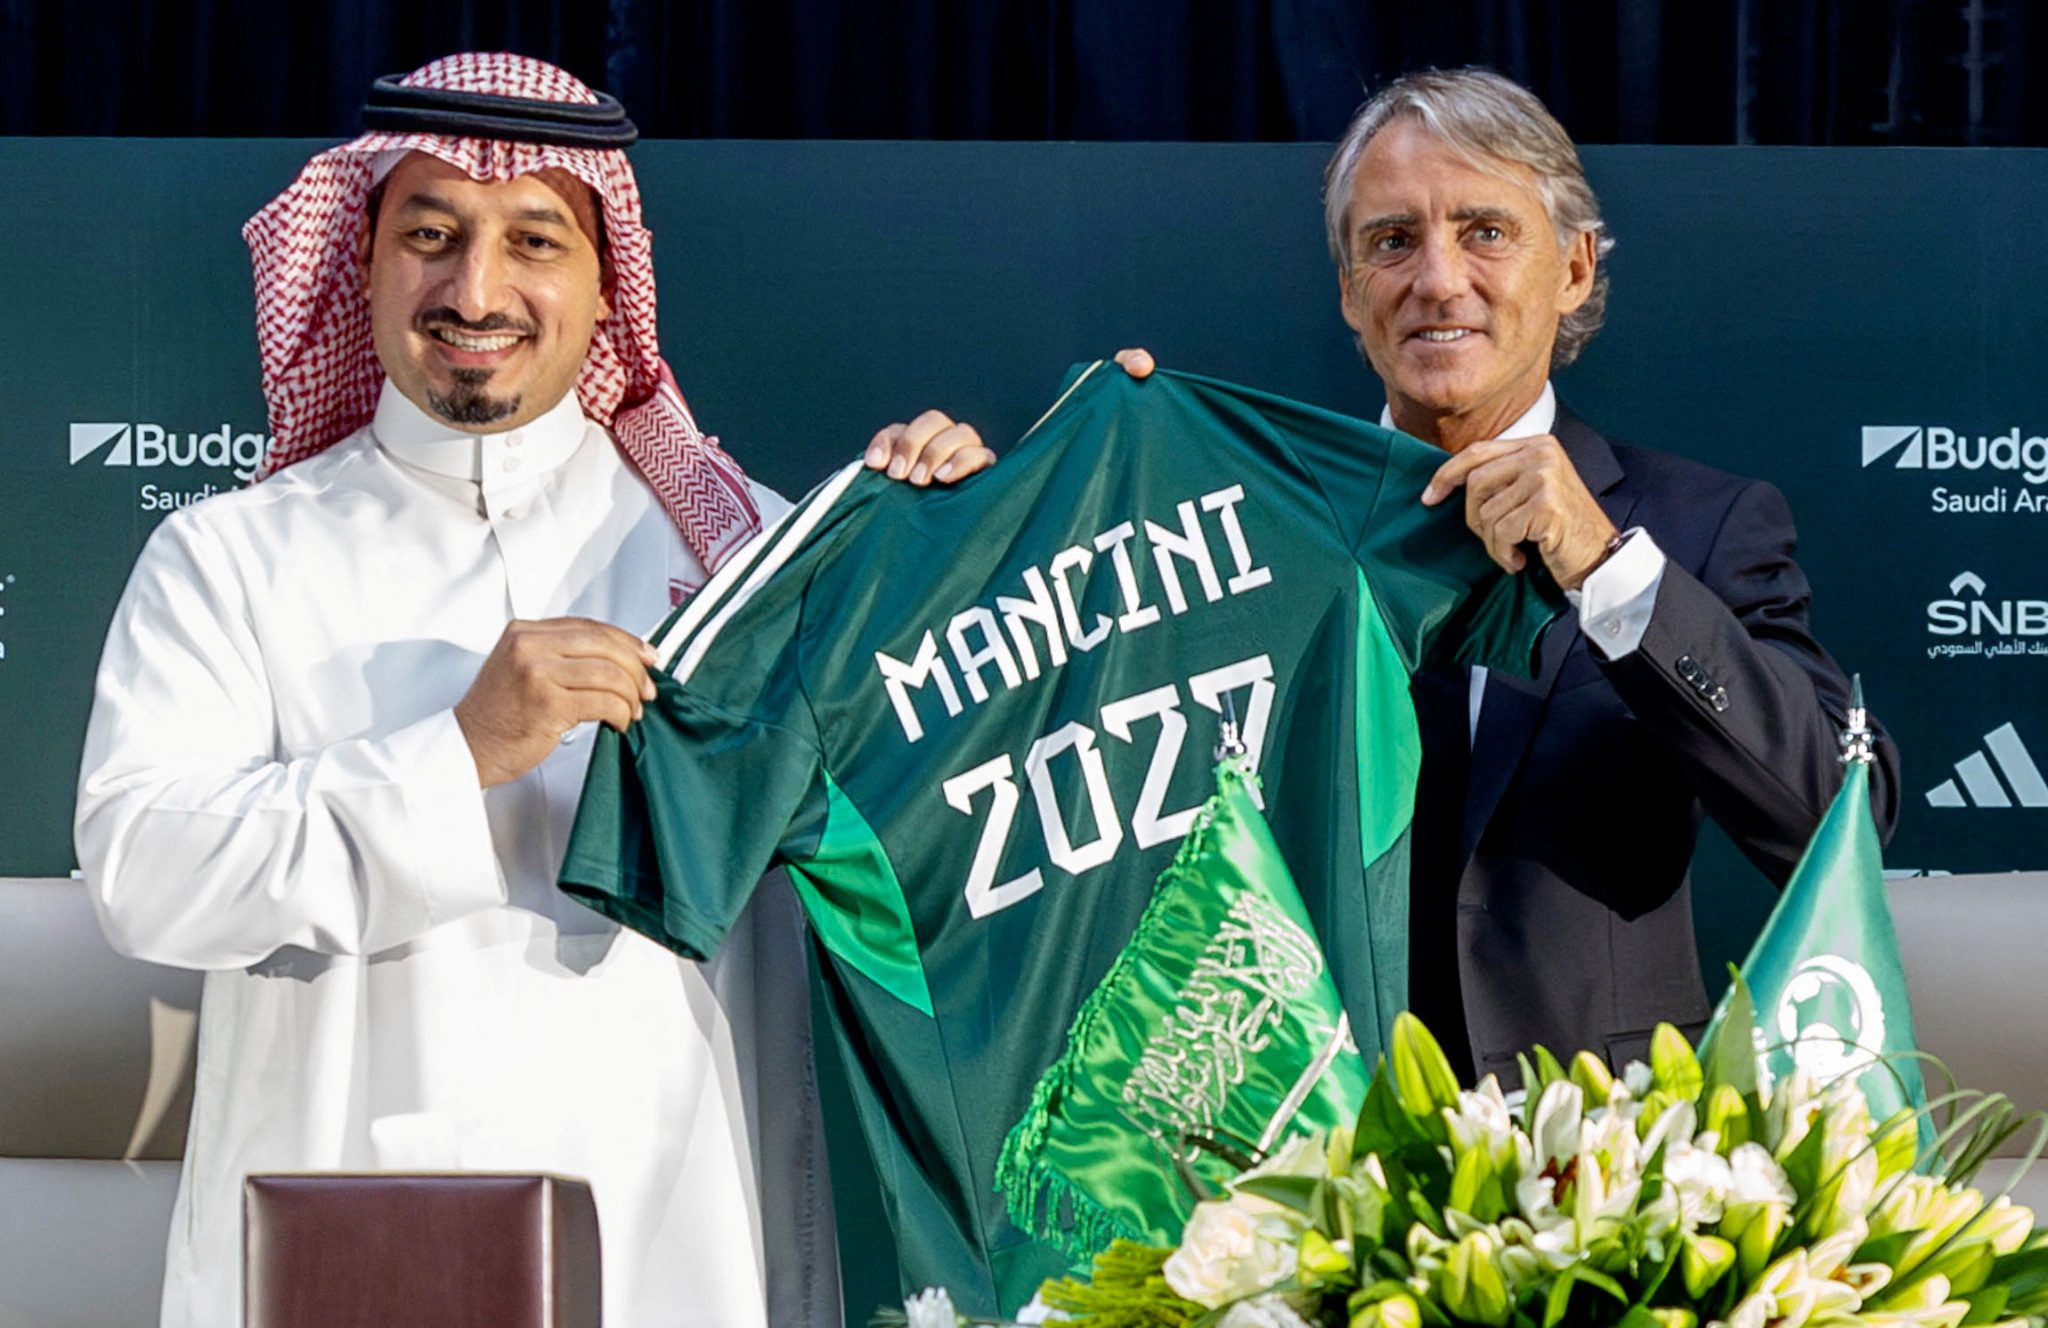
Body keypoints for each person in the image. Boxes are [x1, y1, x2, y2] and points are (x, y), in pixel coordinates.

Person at [73, 53, 991, 1328]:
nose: (476, 289)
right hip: (348, 1254)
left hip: (682, 1257)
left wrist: (963, 557)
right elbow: (144, 873)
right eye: (431, 235)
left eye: (534, 239)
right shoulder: (230, 558)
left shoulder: (751, 555)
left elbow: (955, 847)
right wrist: (456, 754)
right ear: (362, 261)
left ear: (608, 278)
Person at [1119, 65, 1900, 1082]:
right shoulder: (1230, 534)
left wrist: (1606, 569)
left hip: (1589, 1179)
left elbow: (1837, 814)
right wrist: (952, 512)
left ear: (1572, 269)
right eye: (1391, 241)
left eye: (1485, 231)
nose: (1437, 279)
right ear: (1351, 296)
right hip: (1290, 1158)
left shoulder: (1692, 526)